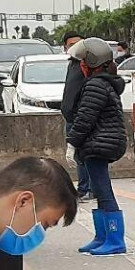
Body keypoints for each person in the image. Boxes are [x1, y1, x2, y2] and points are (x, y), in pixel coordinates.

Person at [66, 38, 130, 256]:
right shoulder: (104, 83)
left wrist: (72, 142)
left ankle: (115, 239)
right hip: (102, 142)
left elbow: (85, 118)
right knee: (99, 190)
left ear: (93, 63)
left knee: (103, 191)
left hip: (99, 143)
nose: (81, 65)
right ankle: (102, 236)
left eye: (84, 61)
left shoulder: (95, 85)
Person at [56, 33, 91, 202]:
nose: (75, 47)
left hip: (81, 117)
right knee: (79, 157)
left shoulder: (86, 65)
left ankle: (87, 189)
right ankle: (84, 188)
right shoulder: (73, 64)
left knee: (85, 156)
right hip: (71, 118)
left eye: (78, 44)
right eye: (71, 45)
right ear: (65, 48)